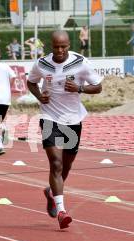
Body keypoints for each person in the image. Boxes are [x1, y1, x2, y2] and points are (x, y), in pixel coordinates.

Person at [27, 31, 102, 229]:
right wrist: (39, 97)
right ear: (51, 46)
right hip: (49, 117)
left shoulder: (81, 62)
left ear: (69, 45)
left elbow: (98, 86)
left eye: (64, 47)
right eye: (56, 47)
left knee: (66, 166)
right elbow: (31, 82)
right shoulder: (42, 63)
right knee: (56, 163)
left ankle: (51, 193)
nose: (60, 51)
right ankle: (62, 211)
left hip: (73, 120)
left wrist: (79, 89)